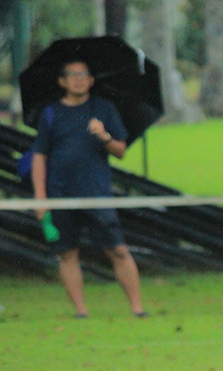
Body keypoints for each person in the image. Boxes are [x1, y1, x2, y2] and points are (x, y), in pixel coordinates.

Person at [31, 59, 147, 318]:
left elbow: (120, 150)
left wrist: (104, 135)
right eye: (72, 74)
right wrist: (41, 197)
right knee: (66, 252)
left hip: (97, 193)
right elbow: (39, 156)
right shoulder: (50, 113)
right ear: (62, 81)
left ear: (91, 80)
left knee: (117, 249)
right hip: (60, 193)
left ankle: (137, 308)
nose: (79, 79)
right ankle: (81, 312)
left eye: (84, 74)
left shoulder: (104, 109)